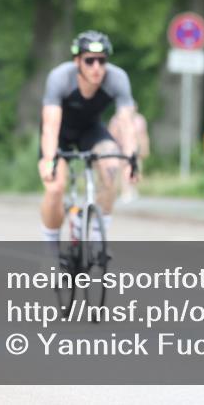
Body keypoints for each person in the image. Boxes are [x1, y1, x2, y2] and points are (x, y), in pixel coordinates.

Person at [38, 30, 139, 252]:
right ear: (77, 61)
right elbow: (51, 124)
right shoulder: (60, 78)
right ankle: (50, 247)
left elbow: (127, 122)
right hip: (60, 133)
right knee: (55, 188)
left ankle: (95, 237)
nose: (96, 67)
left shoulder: (117, 78)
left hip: (91, 130)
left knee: (112, 164)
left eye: (102, 61)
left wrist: (131, 158)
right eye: (89, 61)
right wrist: (48, 159)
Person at [108, 102, 150, 202]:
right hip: (122, 148)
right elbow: (111, 134)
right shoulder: (117, 119)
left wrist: (145, 147)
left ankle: (133, 188)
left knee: (136, 169)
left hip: (135, 148)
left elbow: (143, 135)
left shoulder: (139, 120)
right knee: (124, 170)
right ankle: (125, 191)